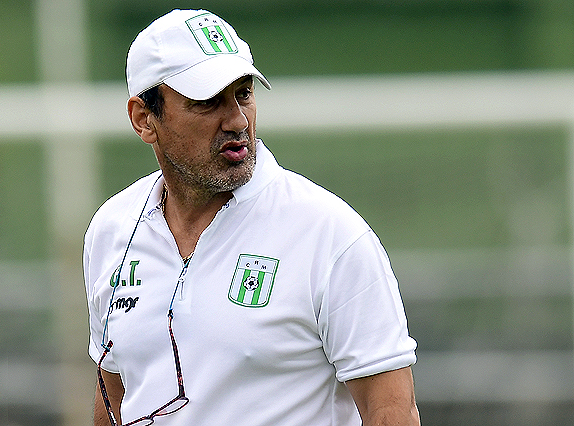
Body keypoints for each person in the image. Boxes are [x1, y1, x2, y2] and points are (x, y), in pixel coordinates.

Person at [84, 9, 420, 426]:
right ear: (144, 119)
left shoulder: (331, 233)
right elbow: (114, 396)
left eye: (243, 94)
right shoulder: (111, 230)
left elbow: (391, 410)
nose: (237, 120)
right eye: (208, 102)